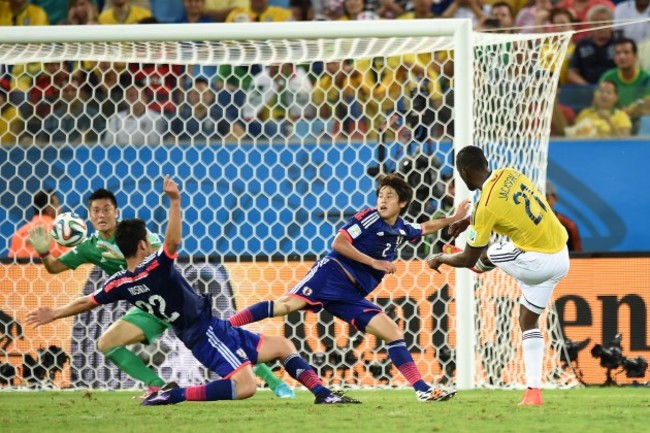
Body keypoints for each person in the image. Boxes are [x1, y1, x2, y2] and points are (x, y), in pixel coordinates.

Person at [26, 177, 359, 406]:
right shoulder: (152, 263)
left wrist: (53, 311)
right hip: (196, 328)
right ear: (143, 245)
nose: (100, 215)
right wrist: (175, 200)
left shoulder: (118, 283)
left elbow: (89, 300)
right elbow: (171, 243)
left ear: (115, 213)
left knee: (282, 345)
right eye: (94, 211)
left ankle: (320, 393)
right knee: (244, 387)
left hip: (190, 318)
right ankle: (170, 393)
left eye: (105, 210)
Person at [227, 173, 470, 402]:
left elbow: (426, 227)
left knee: (393, 332)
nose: (382, 200)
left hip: (350, 295)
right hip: (330, 275)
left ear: (403, 203)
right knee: (285, 306)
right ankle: (225, 327)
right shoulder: (368, 217)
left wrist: (454, 218)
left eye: (389, 196)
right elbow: (339, 243)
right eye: (381, 195)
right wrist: (373, 262)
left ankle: (422, 390)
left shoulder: (401, 228)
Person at [426, 146, 570, 407]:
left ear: (463, 172)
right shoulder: (509, 174)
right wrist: (469, 220)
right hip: (561, 255)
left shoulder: (485, 207)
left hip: (536, 260)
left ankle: (480, 265)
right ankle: (533, 392)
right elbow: (494, 207)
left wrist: (441, 258)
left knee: (486, 254)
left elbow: (468, 255)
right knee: (527, 319)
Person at [9, 189, 68, 259]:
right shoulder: (61, 231)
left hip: (24, 270)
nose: (60, 209)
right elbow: (69, 262)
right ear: (49, 209)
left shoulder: (19, 234)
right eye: (57, 205)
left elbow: (10, 265)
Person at [545, 181, 582, 252]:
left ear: (555, 199)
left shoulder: (569, 226)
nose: (543, 201)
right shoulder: (527, 224)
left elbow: (578, 256)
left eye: (547, 197)